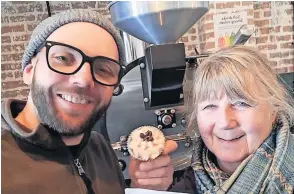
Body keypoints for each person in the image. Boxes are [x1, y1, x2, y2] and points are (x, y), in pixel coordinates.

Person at [1, 9, 177, 194]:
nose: (84, 80)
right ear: (29, 70)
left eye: (103, 69)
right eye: (63, 58)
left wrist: (142, 189)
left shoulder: (99, 147)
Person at [170, 46, 294, 193]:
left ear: (273, 111)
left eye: (241, 103)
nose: (225, 122)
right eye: (210, 106)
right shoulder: (185, 187)